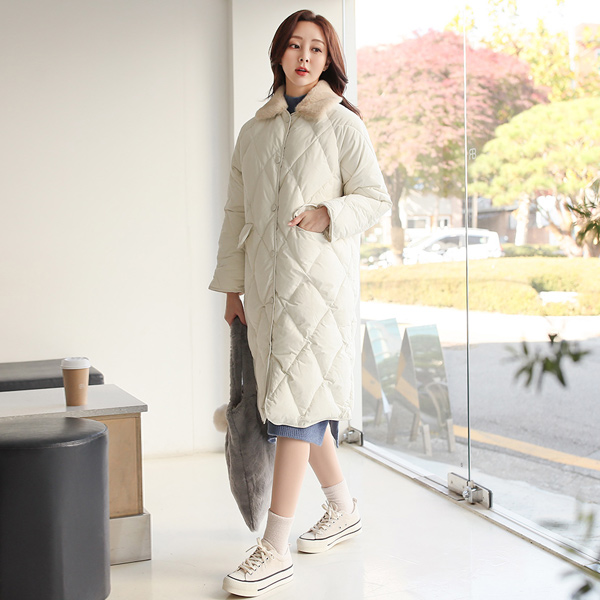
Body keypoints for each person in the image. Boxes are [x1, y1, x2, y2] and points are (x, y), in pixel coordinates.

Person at [209, 8, 391, 597]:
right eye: (294, 45)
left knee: (296, 411)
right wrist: (231, 287)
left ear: (328, 58)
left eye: (316, 48)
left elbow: (374, 198)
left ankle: (275, 547)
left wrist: (327, 213)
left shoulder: (342, 124)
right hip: (264, 291)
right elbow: (236, 214)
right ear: (279, 55)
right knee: (298, 399)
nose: (304, 56)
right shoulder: (253, 131)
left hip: (318, 292)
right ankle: (343, 509)